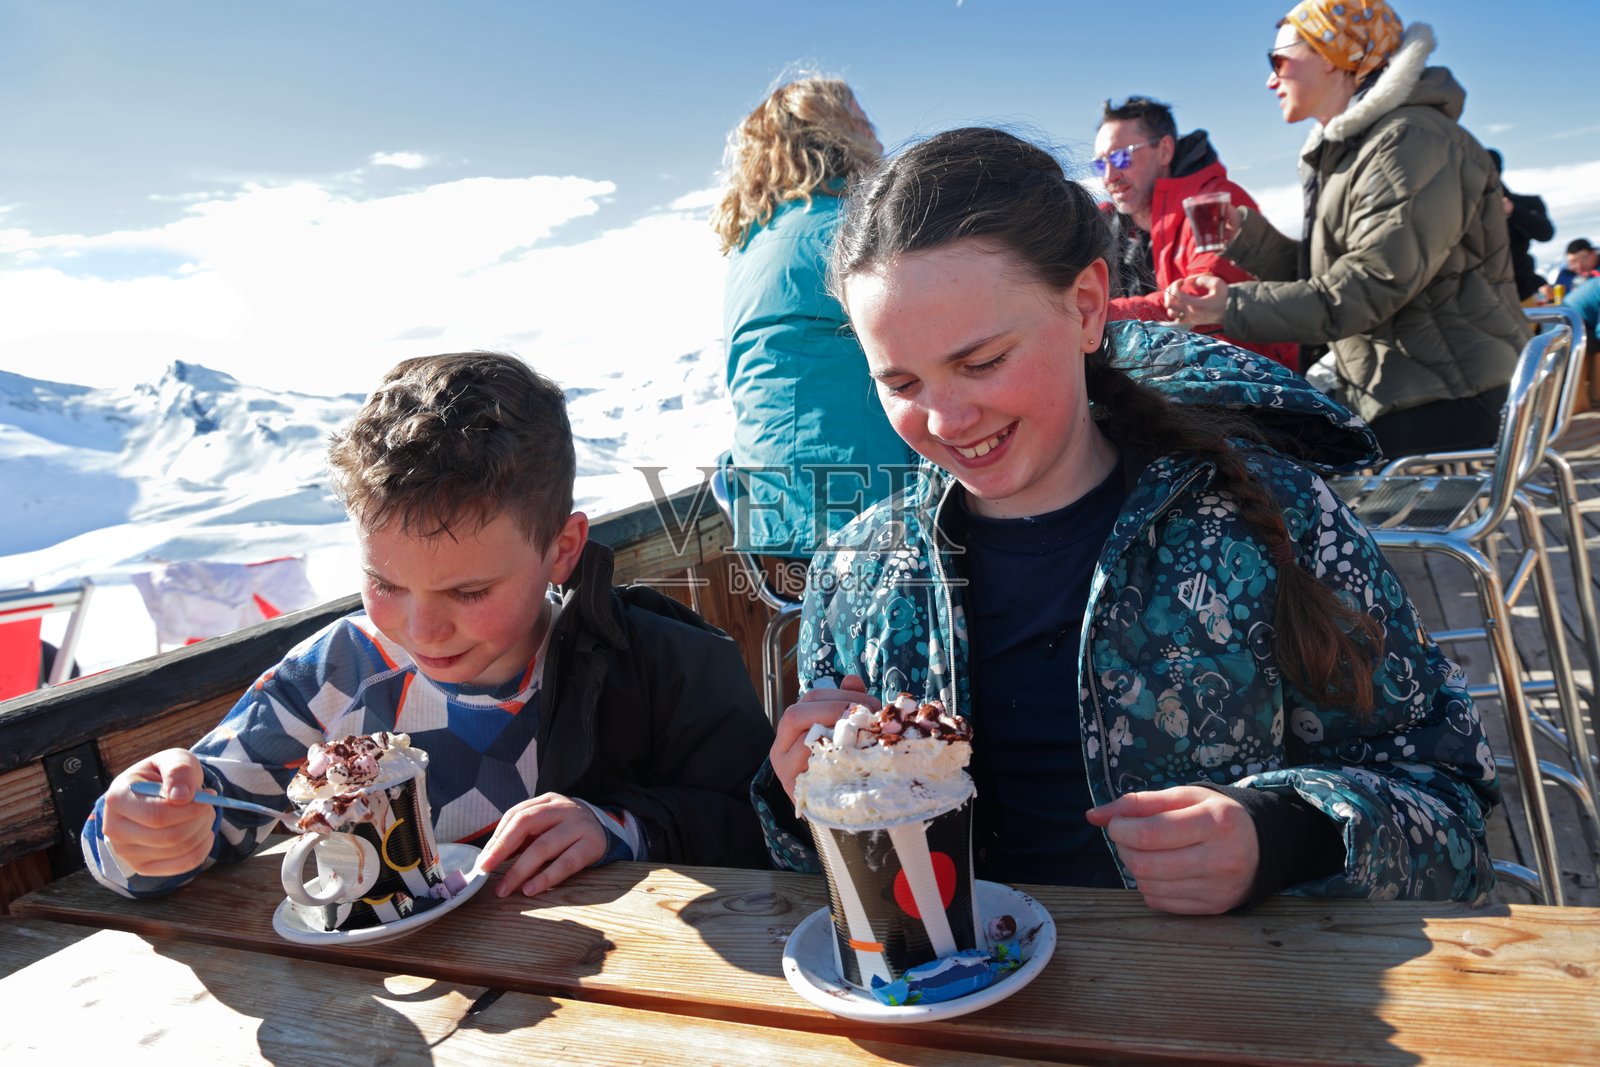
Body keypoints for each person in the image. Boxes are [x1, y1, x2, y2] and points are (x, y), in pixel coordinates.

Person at [753, 126, 1499, 914]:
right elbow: (820, 887)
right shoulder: (859, 573)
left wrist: (1281, 834)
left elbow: (1451, 805)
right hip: (960, 989)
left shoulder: (1267, 518)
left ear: (1085, 306)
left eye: (982, 362)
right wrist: (805, 798)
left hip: (1229, 983)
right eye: (901, 383)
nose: (946, 418)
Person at [82, 352, 774, 900]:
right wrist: (145, 832)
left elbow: (769, 831)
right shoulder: (336, 675)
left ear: (562, 549)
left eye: (469, 591)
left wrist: (618, 826)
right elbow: (182, 828)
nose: (422, 629)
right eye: (384, 584)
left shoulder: (662, 664)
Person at [1166, 4, 1529, 461]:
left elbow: (1369, 287)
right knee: (1248, 443)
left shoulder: (1409, 139)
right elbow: (1338, 279)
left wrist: (1230, 306)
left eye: (1278, 60)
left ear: (1333, 55)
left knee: (1255, 460)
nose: (1271, 80)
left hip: (1451, 393)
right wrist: (1249, 240)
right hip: (1408, 384)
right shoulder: (1362, 147)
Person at [712, 76, 914, 566]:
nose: (878, 137)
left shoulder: (749, 245)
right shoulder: (850, 231)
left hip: (768, 519)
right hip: (862, 515)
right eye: (863, 122)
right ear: (835, 133)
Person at [1094, 95, 1299, 371]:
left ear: (1165, 150)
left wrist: (1093, 312)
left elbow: (1201, 297)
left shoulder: (1211, 204)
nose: (1109, 176)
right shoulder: (1110, 223)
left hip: (1253, 374)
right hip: (1181, 368)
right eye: (1100, 164)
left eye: (1122, 156)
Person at [1487, 149, 1555, 304]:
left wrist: (1513, 211)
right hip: (1479, 297)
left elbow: (1545, 233)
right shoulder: (1463, 211)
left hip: (1522, 291)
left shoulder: (1527, 204)